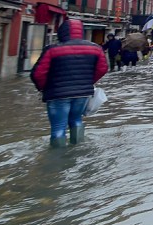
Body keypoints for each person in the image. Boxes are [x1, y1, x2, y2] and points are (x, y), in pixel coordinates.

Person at [30, 18, 108, 147]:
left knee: (59, 127)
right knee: (76, 120)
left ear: (62, 32)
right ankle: (77, 148)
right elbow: (102, 69)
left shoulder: (52, 50)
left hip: (57, 94)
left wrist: (43, 88)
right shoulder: (95, 48)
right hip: (83, 94)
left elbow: (37, 74)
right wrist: (88, 82)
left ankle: (58, 159)